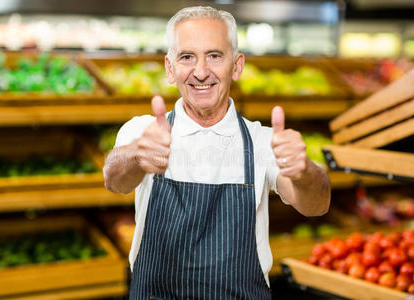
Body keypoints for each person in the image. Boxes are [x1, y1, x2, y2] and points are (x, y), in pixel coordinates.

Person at [104, 6, 330, 299]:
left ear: (236, 66)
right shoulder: (143, 132)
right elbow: (114, 180)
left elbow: (316, 204)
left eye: (214, 56)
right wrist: (136, 156)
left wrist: (304, 171)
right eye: (187, 57)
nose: (200, 72)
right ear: (170, 69)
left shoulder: (262, 141)